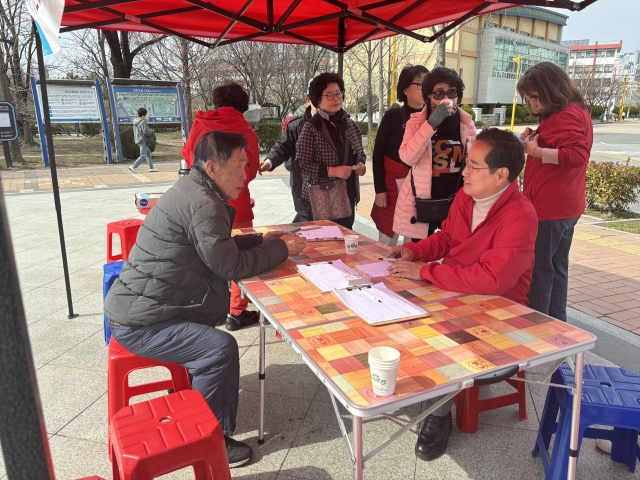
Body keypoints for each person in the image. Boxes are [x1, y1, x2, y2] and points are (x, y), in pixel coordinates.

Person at [105, 130, 307, 468]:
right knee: (220, 349)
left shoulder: (193, 189)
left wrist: (261, 240)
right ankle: (213, 437)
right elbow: (231, 266)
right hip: (142, 322)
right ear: (212, 167)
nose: (246, 174)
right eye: (240, 165)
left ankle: (196, 402)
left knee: (213, 343)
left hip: (144, 306)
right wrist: (281, 248)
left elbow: (216, 248)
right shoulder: (203, 203)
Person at [386, 128, 538, 462]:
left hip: (499, 311)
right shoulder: (466, 196)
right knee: (392, 309)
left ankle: (438, 415)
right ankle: (427, 389)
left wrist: (426, 271)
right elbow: (447, 238)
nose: (464, 171)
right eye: (466, 163)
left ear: (501, 176)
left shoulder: (520, 216)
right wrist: (415, 252)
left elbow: (493, 280)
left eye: (473, 166)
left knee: (432, 336)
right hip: (457, 292)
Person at [181, 83, 261, 332]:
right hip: (237, 202)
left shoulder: (200, 123)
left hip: (201, 201)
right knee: (240, 255)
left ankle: (207, 310)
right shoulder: (246, 130)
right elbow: (251, 168)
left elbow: (188, 156)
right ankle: (236, 312)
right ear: (242, 105)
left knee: (204, 253)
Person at [518, 62, 593, 322]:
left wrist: (535, 151)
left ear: (551, 90)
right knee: (556, 267)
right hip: (565, 204)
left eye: (536, 98)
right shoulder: (574, 109)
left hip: (550, 207)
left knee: (540, 269)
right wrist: (536, 138)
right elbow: (563, 143)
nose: (533, 105)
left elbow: (577, 154)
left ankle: (539, 327)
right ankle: (556, 324)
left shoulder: (565, 115)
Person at [394, 67, 476, 240]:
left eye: (452, 92)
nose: (446, 98)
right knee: (418, 255)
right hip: (425, 201)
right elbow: (407, 157)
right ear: (428, 97)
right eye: (439, 93)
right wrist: (431, 124)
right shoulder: (416, 122)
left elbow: (474, 161)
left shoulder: (466, 123)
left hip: (457, 201)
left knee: (456, 253)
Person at [296, 72, 366, 229]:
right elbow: (302, 164)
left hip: (348, 194)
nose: (336, 98)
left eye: (338, 93)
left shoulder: (350, 124)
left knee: (345, 238)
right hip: (323, 198)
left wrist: (361, 165)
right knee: (325, 245)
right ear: (318, 100)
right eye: (329, 95)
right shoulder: (312, 127)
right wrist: (333, 171)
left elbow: (360, 153)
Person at [371, 65, 429, 246]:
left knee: (413, 242)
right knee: (387, 240)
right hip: (393, 185)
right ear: (405, 89)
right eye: (420, 84)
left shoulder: (434, 116)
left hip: (421, 186)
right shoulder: (393, 115)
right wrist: (379, 190)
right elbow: (378, 153)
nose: (425, 89)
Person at [259, 84, 317, 222]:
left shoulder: (345, 124)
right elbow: (282, 147)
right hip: (305, 187)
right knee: (307, 224)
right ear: (308, 100)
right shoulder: (296, 125)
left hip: (337, 191)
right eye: (318, 97)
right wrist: (269, 162)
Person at [129, 108, 158, 173]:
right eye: (146, 114)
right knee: (143, 155)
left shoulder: (135, 121)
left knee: (148, 154)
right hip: (143, 140)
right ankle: (133, 166)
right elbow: (145, 131)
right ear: (143, 115)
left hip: (138, 139)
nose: (147, 115)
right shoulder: (142, 121)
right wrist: (151, 131)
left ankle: (151, 168)